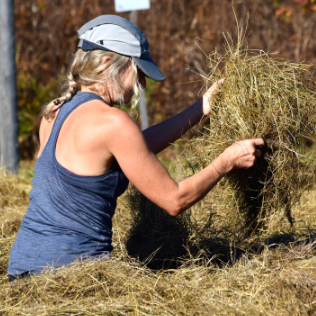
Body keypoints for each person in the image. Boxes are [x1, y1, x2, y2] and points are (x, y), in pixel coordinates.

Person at [7, 15, 263, 281]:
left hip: (23, 270)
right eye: (137, 72)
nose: (141, 84)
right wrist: (226, 162)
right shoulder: (114, 123)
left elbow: (132, 149)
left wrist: (200, 109)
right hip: (72, 278)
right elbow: (175, 200)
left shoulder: (54, 111)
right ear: (108, 63)